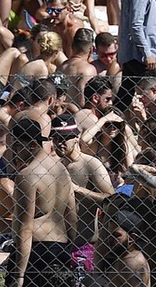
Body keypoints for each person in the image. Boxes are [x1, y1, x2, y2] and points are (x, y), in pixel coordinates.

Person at [5, 118, 77, 287]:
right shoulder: (62, 170)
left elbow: (25, 228)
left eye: (16, 145)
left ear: (31, 145)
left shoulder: (27, 176)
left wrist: (19, 275)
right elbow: (72, 214)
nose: (13, 151)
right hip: (61, 248)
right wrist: (72, 248)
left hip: (35, 253)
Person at [50, 114, 115, 272]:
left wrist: (78, 190)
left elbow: (112, 200)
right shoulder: (54, 166)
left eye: (64, 138)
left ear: (76, 137)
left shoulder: (91, 165)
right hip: (57, 243)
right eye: (56, 138)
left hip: (85, 244)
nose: (59, 143)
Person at [116, 0, 156, 112]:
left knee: (124, 96)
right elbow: (136, 25)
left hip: (132, 53)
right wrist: (147, 53)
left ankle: (112, 123)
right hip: (140, 56)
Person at [57, 28, 98, 107]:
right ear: (92, 49)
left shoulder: (61, 67)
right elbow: (83, 100)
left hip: (60, 113)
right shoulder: (88, 69)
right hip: (79, 115)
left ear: (72, 46)